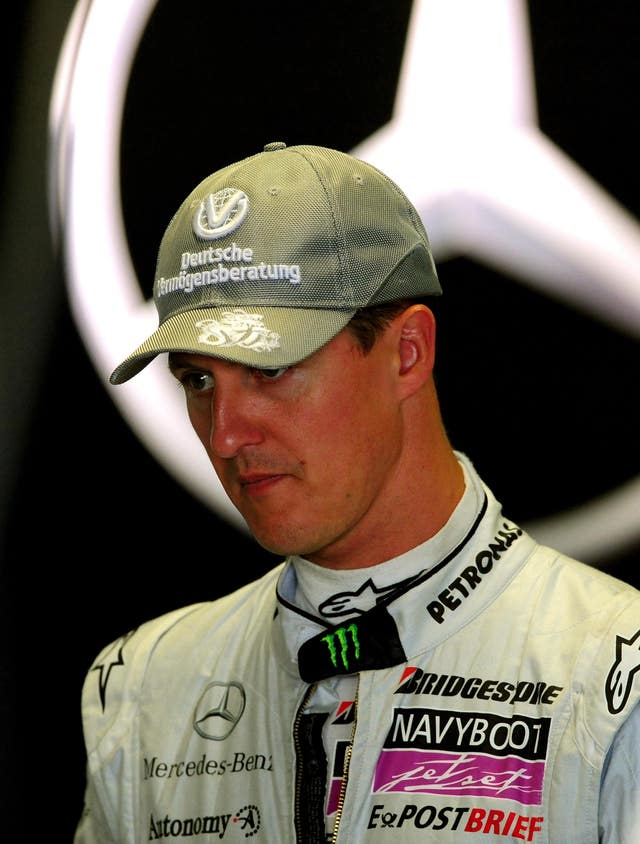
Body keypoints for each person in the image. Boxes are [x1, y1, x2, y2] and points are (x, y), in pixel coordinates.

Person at [74, 142, 640, 844]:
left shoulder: (616, 675)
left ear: (408, 353)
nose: (224, 435)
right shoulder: (144, 689)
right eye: (197, 381)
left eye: (270, 369)